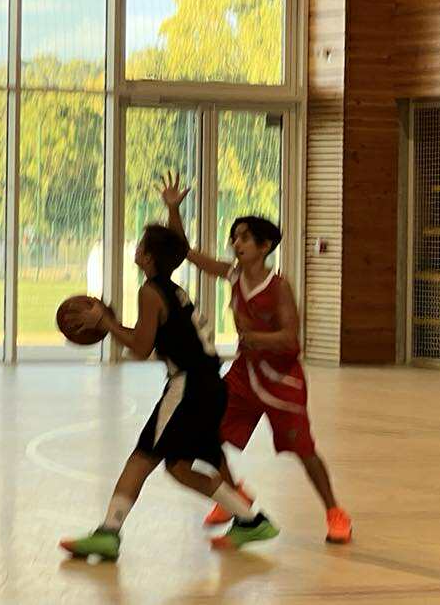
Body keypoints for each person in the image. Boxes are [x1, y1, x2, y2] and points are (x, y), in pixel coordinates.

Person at [59, 177, 279, 561]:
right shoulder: (171, 289)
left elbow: (140, 348)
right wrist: (173, 209)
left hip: (189, 386)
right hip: (210, 385)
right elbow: (177, 251)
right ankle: (250, 520)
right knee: (178, 467)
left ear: (147, 258)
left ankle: (109, 533)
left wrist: (105, 323)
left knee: (143, 456)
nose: (137, 248)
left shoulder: (150, 292)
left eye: (141, 245)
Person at [184, 188, 353, 545]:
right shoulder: (233, 276)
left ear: (264, 247)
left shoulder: (278, 287)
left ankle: (335, 511)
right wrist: (173, 210)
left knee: (304, 450)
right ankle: (234, 496)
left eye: (244, 238)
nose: (236, 243)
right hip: (245, 374)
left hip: (282, 378)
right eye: (234, 237)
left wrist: (256, 338)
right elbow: (188, 254)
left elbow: (290, 338)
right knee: (207, 433)